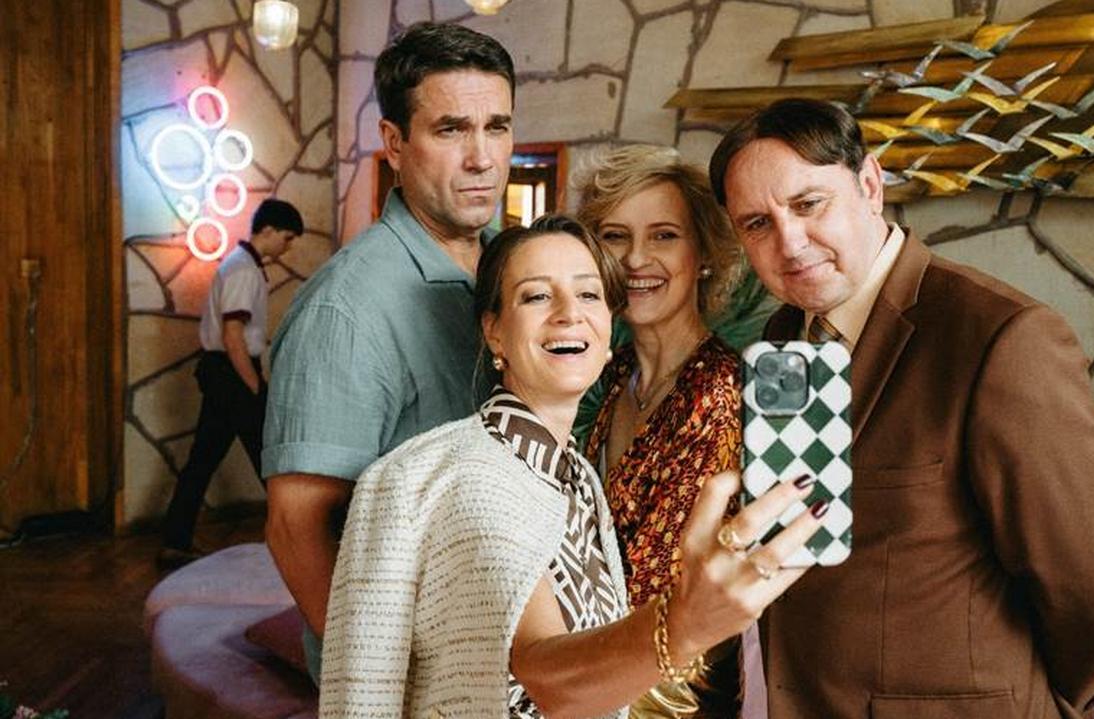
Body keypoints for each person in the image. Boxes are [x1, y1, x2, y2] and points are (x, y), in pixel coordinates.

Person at [707, 98, 1094, 719]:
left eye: (808, 205)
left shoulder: (1003, 337)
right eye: (757, 224)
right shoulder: (783, 339)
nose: (790, 243)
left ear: (869, 184)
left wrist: (1044, 706)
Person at [321, 215, 825, 719]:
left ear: (608, 330)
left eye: (588, 295)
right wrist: (684, 625)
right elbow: (546, 680)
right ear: (494, 332)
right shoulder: (469, 477)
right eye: (536, 296)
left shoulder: (578, 477)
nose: (569, 314)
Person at [262, 22, 514, 681]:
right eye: (451, 129)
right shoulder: (346, 308)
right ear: (395, 144)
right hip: (410, 678)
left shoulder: (512, 271)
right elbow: (295, 528)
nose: (482, 158)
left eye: (497, 127)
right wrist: (381, 680)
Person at [575, 146, 745, 718]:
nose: (636, 259)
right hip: (602, 682)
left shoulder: (715, 391)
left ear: (704, 255)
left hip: (670, 699)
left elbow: (658, 597)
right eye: (615, 237)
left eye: (664, 236)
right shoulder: (617, 372)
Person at [158, 198, 302, 568]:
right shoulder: (242, 270)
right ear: (267, 230)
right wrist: (254, 388)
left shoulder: (243, 266)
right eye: (286, 238)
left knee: (204, 459)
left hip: (226, 372)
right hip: (231, 373)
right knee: (268, 457)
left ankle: (175, 540)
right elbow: (233, 335)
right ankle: (298, 541)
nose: (287, 247)